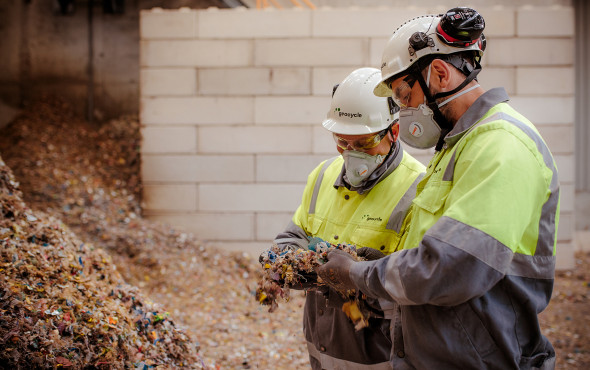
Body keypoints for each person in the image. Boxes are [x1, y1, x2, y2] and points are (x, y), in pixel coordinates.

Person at [316, 7, 560, 370]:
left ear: (440, 74)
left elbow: (453, 268)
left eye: (402, 94)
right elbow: (433, 249)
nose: (403, 108)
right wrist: (375, 262)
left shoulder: (501, 145)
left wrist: (356, 274)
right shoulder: (457, 147)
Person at [268, 67, 425, 369]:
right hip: (322, 347)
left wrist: (353, 277)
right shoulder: (323, 175)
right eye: (342, 142)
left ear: (393, 132)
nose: (351, 153)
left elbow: (415, 287)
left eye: (364, 143)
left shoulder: (418, 189)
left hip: (379, 355)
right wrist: (283, 260)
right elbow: (294, 235)